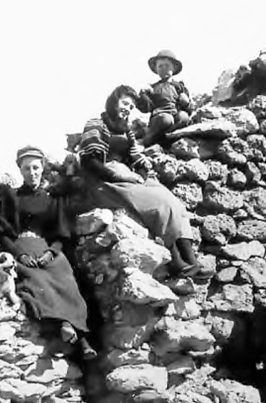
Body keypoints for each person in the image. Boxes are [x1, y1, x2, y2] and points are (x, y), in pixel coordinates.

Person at [77, 85, 209, 278]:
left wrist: (140, 172)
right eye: (124, 103)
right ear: (113, 102)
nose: (127, 109)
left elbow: (135, 157)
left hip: (126, 175)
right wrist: (121, 176)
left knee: (174, 203)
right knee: (158, 204)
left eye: (131, 107)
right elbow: (90, 162)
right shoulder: (97, 123)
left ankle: (192, 261)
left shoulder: (126, 129)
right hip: (104, 181)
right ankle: (176, 262)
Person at [0, 146, 97, 360]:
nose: (31, 173)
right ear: (20, 171)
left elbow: (60, 235)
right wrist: (19, 255)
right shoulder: (12, 197)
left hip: (46, 250)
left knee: (66, 279)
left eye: (35, 168)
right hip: (21, 249)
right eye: (26, 169)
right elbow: (1, 234)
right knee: (35, 280)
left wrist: (51, 253)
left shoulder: (52, 199)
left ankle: (75, 330)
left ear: (42, 169)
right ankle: (72, 332)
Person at [138, 50, 194, 147]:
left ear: (174, 68)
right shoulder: (153, 87)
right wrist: (143, 94)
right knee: (166, 120)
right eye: (160, 66)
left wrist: (186, 102)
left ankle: (170, 137)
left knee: (184, 117)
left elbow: (189, 109)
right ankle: (150, 137)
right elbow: (145, 108)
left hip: (175, 114)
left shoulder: (179, 87)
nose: (164, 68)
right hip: (160, 116)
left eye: (167, 66)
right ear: (156, 69)